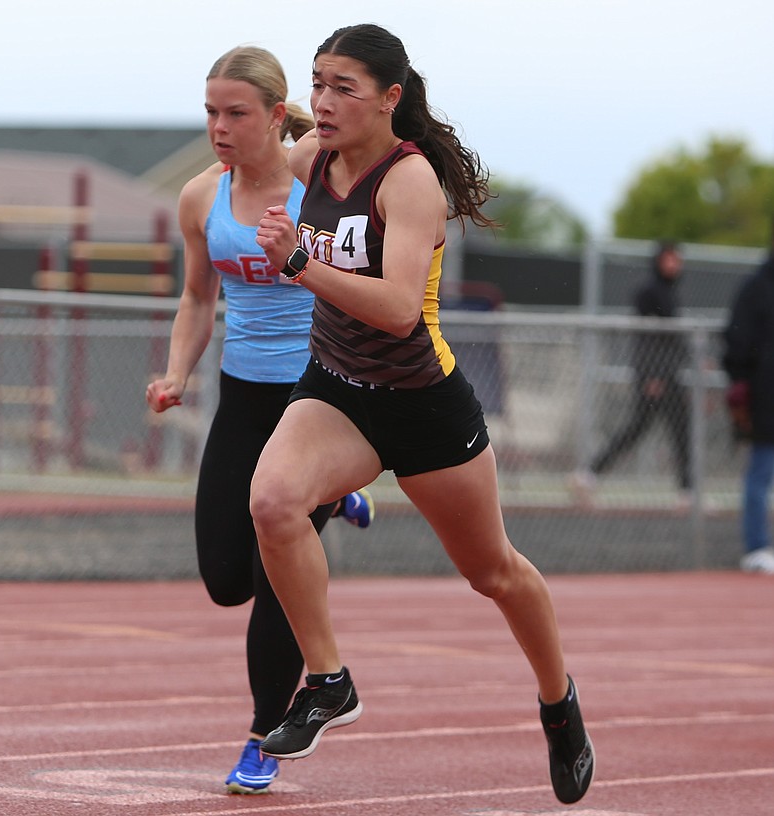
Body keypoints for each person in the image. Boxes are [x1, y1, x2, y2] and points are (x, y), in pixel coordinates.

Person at [247, 24, 594, 805]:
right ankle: (329, 681)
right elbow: (242, 170)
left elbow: (401, 312)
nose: (324, 102)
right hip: (337, 391)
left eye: (344, 88)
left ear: (390, 99)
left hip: (423, 405)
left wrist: (298, 263)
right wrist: (236, 129)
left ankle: (558, 701)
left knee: (493, 572)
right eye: (317, 83)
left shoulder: (409, 182)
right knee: (271, 503)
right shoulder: (311, 161)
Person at [144, 45, 374, 796]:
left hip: (315, 397)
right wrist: (177, 373)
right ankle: (335, 499)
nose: (219, 126)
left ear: (276, 117)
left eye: (235, 112)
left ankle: (262, 739)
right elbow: (196, 299)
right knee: (223, 578)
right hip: (243, 397)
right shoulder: (197, 199)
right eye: (210, 112)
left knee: (274, 577)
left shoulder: (321, 186)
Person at [573, 242, 692, 504]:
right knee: (638, 428)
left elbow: (674, 339)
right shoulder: (650, 292)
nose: (674, 264)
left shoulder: (670, 292)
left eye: (677, 259)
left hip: (669, 373)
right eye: (669, 258)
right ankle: (589, 474)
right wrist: (653, 375)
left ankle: (687, 490)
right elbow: (648, 339)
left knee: (681, 429)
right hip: (656, 374)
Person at [723, 227, 774, 574]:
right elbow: (737, 341)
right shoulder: (756, 288)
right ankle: (756, 547)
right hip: (765, 397)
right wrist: (742, 381)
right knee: (761, 470)